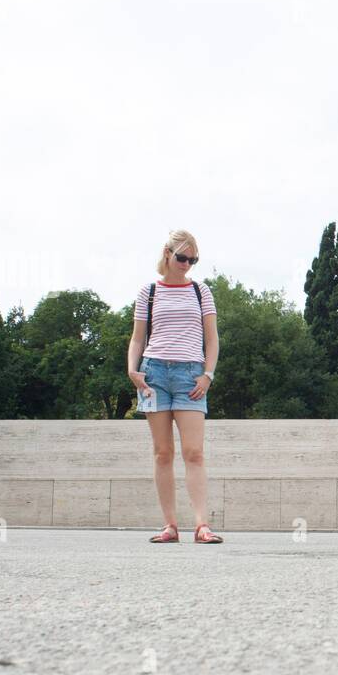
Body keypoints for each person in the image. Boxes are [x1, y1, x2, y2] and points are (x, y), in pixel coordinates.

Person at [126, 229, 223, 544]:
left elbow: (212, 339)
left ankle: (201, 525)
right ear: (167, 253)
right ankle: (170, 526)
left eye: (193, 259)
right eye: (182, 257)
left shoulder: (201, 291)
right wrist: (132, 370)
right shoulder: (149, 292)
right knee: (162, 453)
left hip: (190, 376)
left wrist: (208, 374)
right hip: (154, 376)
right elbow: (138, 337)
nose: (187, 264)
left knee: (194, 452)